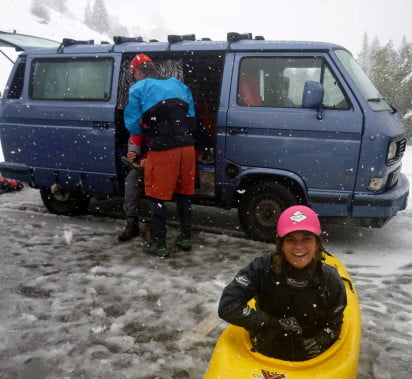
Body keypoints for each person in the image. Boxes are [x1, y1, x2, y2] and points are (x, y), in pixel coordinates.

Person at [218, 206, 347, 361]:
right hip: (267, 348)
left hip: (312, 359)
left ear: (317, 244)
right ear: (281, 245)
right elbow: (228, 307)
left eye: (307, 238)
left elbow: (336, 320)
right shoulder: (260, 268)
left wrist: (322, 339)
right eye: (291, 239)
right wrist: (271, 322)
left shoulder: (330, 279)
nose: (299, 247)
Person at [124, 54, 196, 257]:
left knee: (156, 195)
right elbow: (191, 119)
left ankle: (160, 243)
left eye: (134, 74)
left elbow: (132, 125)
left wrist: (149, 127)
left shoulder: (138, 88)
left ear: (138, 72)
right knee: (183, 194)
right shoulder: (177, 84)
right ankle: (186, 237)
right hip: (187, 148)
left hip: (164, 149)